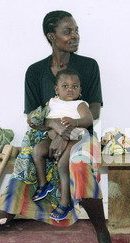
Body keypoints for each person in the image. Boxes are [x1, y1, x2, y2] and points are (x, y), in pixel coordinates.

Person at [0, 10, 120, 243]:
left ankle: (104, 238)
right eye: (68, 32)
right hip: (46, 134)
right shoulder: (34, 71)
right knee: (28, 157)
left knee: (81, 166)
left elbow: (93, 113)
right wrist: (53, 127)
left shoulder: (88, 66)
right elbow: (32, 117)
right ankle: (7, 209)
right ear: (52, 36)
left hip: (80, 133)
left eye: (76, 31)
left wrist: (68, 133)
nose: (75, 36)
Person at [31, 68, 93, 223]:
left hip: (74, 138)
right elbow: (41, 122)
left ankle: (65, 202)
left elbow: (89, 119)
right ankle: (44, 184)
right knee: (37, 150)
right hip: (53, 138)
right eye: (65, 86)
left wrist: (76, 122)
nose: (70, 89)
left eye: (75, 86)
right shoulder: (52, 102)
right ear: (56, 89)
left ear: (80, 89)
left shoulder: (79, 104)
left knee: (62, 166)